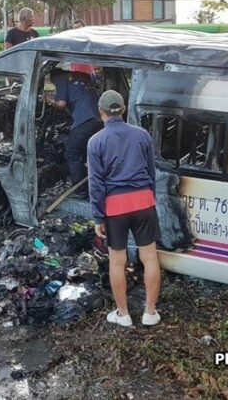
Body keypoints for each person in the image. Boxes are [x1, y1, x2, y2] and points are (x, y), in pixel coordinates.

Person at [87, 90, 162, 327]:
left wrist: (98, 216)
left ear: (101, 112)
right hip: (144, 202)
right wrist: (151, 199)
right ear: (124, 109)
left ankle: (123, 314)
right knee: (149, 258)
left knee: (117, 262)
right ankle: (150, 313)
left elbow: (96, 183)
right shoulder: (142, 135)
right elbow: (151, 172)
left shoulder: (95, 141)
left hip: (115, 207)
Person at [52, 67, 102, 197]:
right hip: (100, 118)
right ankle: (94, 185)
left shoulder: (59, 78)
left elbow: (61, 103)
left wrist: (49, 100)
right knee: (89, 153)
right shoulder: (79, 75)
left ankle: (80, 191)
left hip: (86, 119)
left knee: (71, 153)